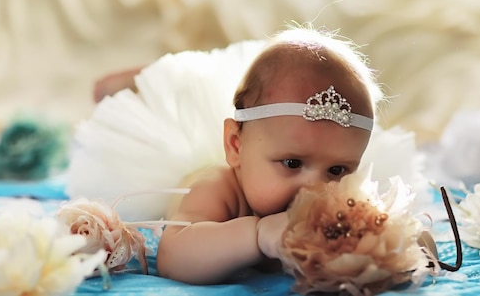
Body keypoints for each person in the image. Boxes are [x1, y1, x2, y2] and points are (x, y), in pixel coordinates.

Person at [155, 26, 383, 284]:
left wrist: (399, 246)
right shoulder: (219, 189)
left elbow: (390, 237)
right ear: (235, 146)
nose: (315, 189)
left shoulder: (339, 206)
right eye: (292, 163)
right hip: (178, 184)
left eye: (338, 170)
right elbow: (172, 258)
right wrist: (257, 235)